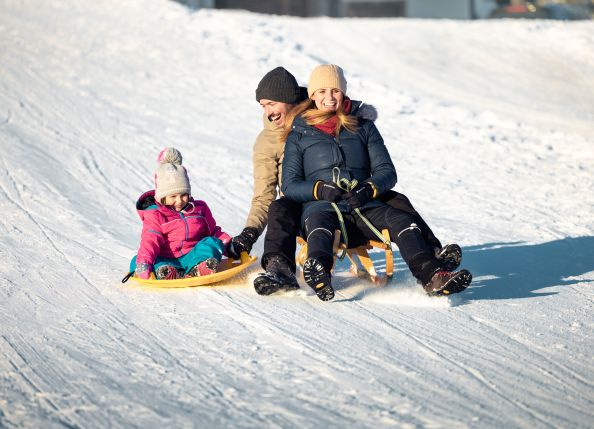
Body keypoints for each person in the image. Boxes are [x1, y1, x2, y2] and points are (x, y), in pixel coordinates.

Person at [229, 66, 462, 296]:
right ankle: (282, 270)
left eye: (272, 104)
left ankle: (432, 255)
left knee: (395, 199)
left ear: (290, 100)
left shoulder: (327, 107)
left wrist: (366, 179)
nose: (268, 112)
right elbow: (265, 192)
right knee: (281, 207)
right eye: (263, 106)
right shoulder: (273, 140)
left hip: (350, 194)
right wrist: (250, 232)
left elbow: (341, 110)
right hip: (304, 199)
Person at [131, 147, 231, 280]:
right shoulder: (155, 214)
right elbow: (150, 240)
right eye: (173, 196)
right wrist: (144, 263)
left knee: (213, 242)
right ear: (162, 197)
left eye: (184, 195)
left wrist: (231, 246)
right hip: (167, 258)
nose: (179, 201)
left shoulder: (199, 209)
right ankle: (168, 272)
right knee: (137, 260)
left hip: (194, 256)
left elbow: (214, 232)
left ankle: (200, 267)